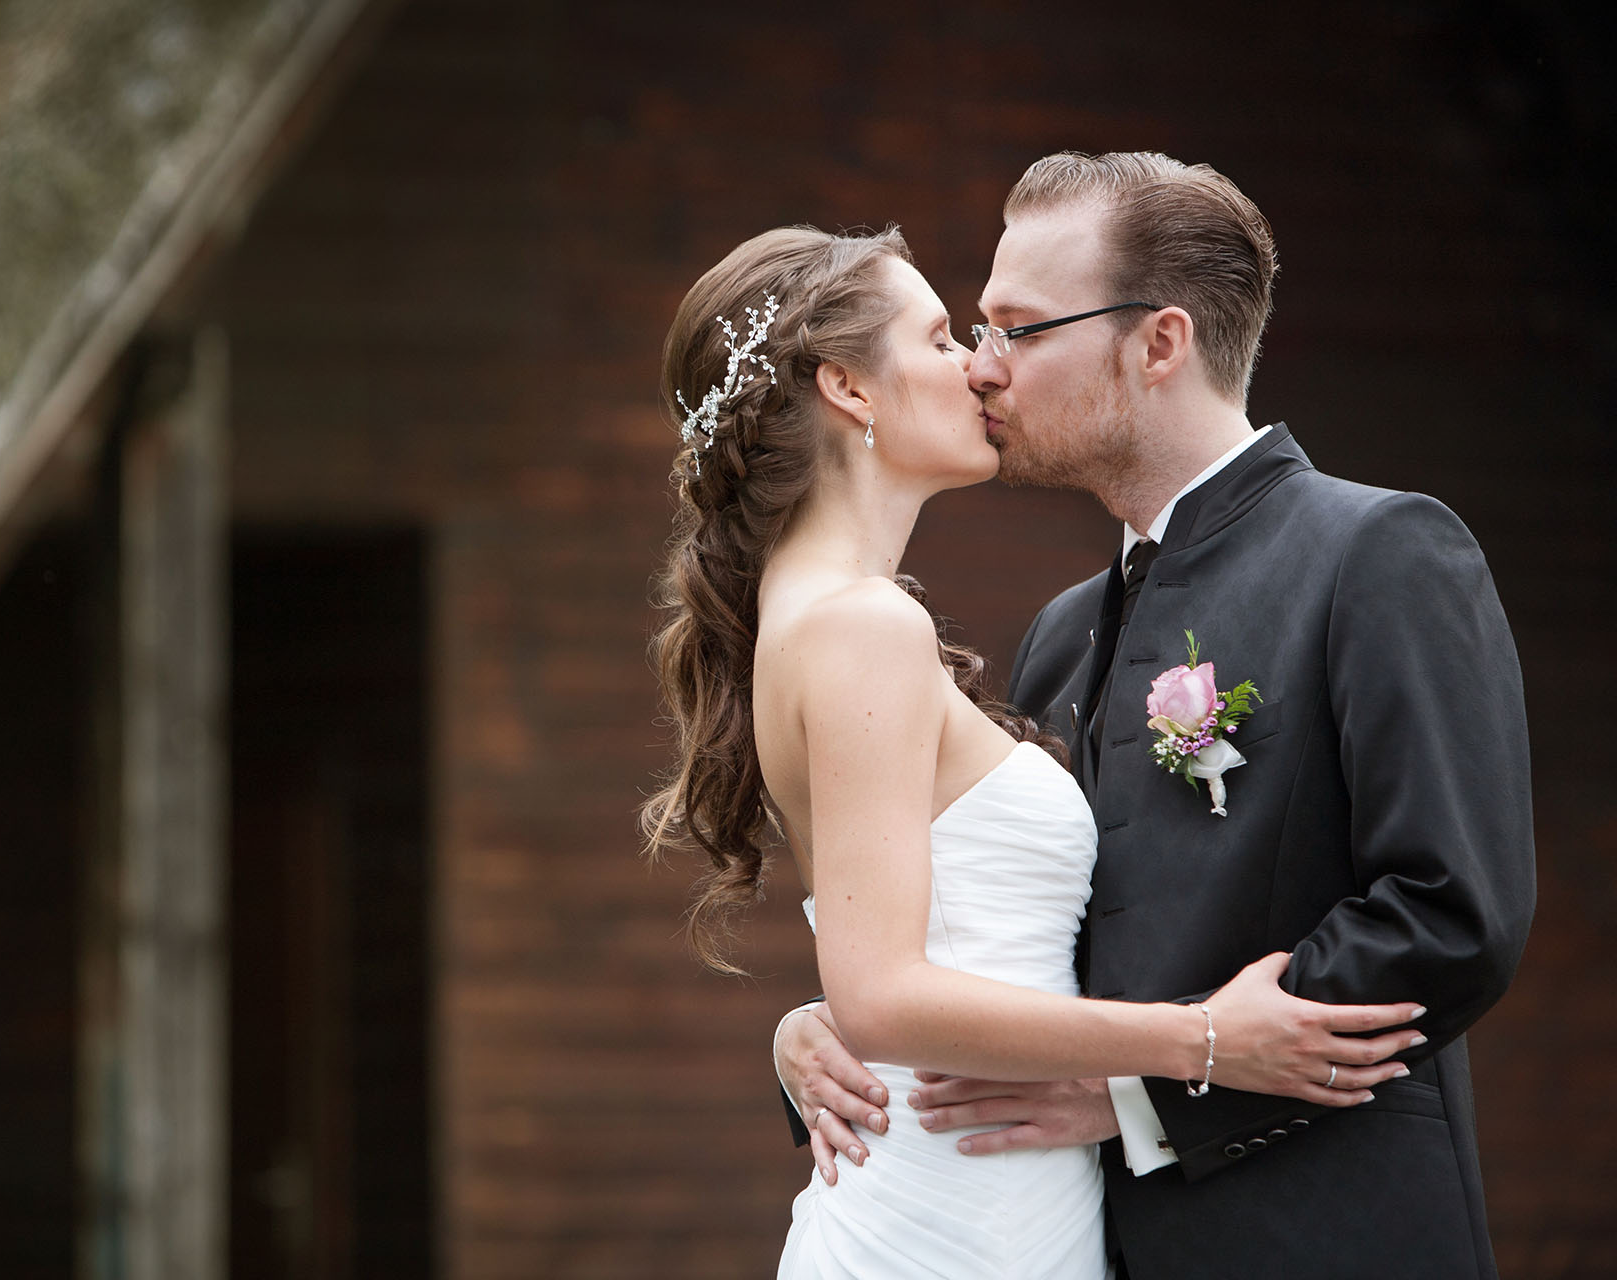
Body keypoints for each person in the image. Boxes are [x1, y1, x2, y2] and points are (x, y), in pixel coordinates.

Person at [774, 153, 1536, 1279]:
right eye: (974, 329)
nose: (985, 367)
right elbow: (1022, 937)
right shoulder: (1060, 632)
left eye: (1019, 328)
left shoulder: (1379, 553)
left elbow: (1451, 911)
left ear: (1159, 343)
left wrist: (1146, 1093)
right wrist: (823, 1027)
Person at [646, 223, 1429, 1280]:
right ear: (847, 386)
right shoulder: (863, 626)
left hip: (1003, 1192)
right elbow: (882, 993)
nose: (979, 365)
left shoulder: (815, 614)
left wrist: (811, 1025)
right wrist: (1199, 1040)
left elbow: (900, 956)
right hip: (954, 1219)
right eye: (938, 338)